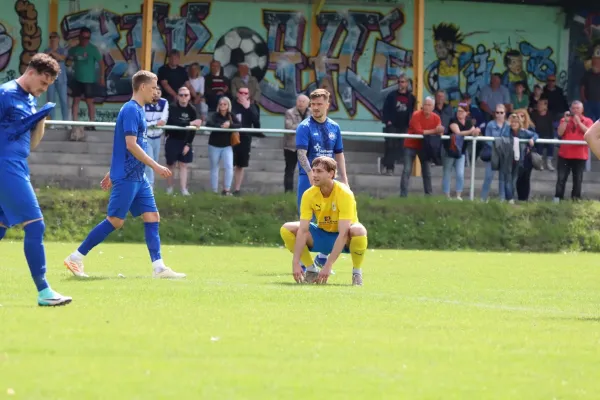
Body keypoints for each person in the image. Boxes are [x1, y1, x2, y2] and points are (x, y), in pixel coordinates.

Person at [63, 70, 186, 279]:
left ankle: (159, 268)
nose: (156, 91)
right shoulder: (130, 110)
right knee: (115, 221)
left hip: (138, 177)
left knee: (152, 216)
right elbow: (130, 145)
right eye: (154, 86)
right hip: (129, 176)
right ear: (143, 87)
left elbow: (123, 145)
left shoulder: (138, 110)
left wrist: (112, 171)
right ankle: (75, 258)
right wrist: (155, 166)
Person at [0, 53, 72, 306]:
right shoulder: (5, 94)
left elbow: (31, 145)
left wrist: (40, 119)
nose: (44, 89)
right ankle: (44, 291)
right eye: (43, 83)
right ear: (31, 72)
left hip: (18, 164)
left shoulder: (30, 102)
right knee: (35, 225)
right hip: (5, 166)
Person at [279, 156, 368, 286]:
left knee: (359, 230)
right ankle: (311, 269)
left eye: (319, 171)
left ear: (331, 174)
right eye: (313, 170)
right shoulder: (309, 194)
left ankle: (357, 272)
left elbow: (343, 233)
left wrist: (328, 265)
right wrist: (295, 262)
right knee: (287, 228)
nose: (314, 175)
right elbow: (303, 230)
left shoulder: (344, 193)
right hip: (322, 235)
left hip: (344, 239)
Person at [295, 88, 349, 270]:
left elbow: (339, 154)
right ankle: (304, 263)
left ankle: (323, 257)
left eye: (319, 104)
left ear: (327, 105)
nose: (315, 108)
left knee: (330, 219)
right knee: (307, 220)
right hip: (308, 179)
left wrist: (344, 178)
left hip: (330, 181)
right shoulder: (304, 127)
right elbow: (301, 153)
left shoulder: (335, 127)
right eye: (313, 104)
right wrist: (311, 174)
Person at [144, 87, 169, 189]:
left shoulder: (164, 102)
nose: (157, 94)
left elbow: (163, 120)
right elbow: (143, 122)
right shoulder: (144, 102)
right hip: (147, 137)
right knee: (150, 163)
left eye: (159, 92)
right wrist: (154, 123)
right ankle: (149, 188)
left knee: (155, 162)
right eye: (155, 91)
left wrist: (154, 124)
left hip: (157, 137)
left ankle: (148, 187)